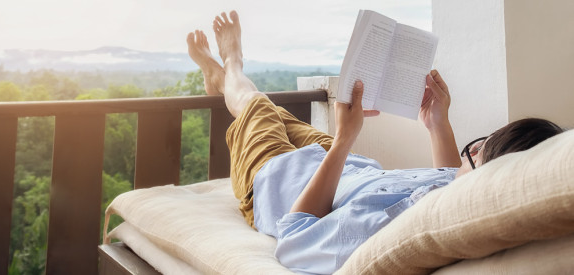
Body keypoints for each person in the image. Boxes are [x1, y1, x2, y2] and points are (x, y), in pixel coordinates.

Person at [186, 10, 564, 274]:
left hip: (277, 179)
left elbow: (295, 237)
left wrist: (345, 139)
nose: (472, 148)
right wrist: (437, 124)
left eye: (477, 149)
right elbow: (450, 178)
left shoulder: (392, 229)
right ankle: (222, 82)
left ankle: (230, 66)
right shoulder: (460, 198)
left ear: (487, 176)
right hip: (337, 161)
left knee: (255, 105)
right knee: (266, 107)